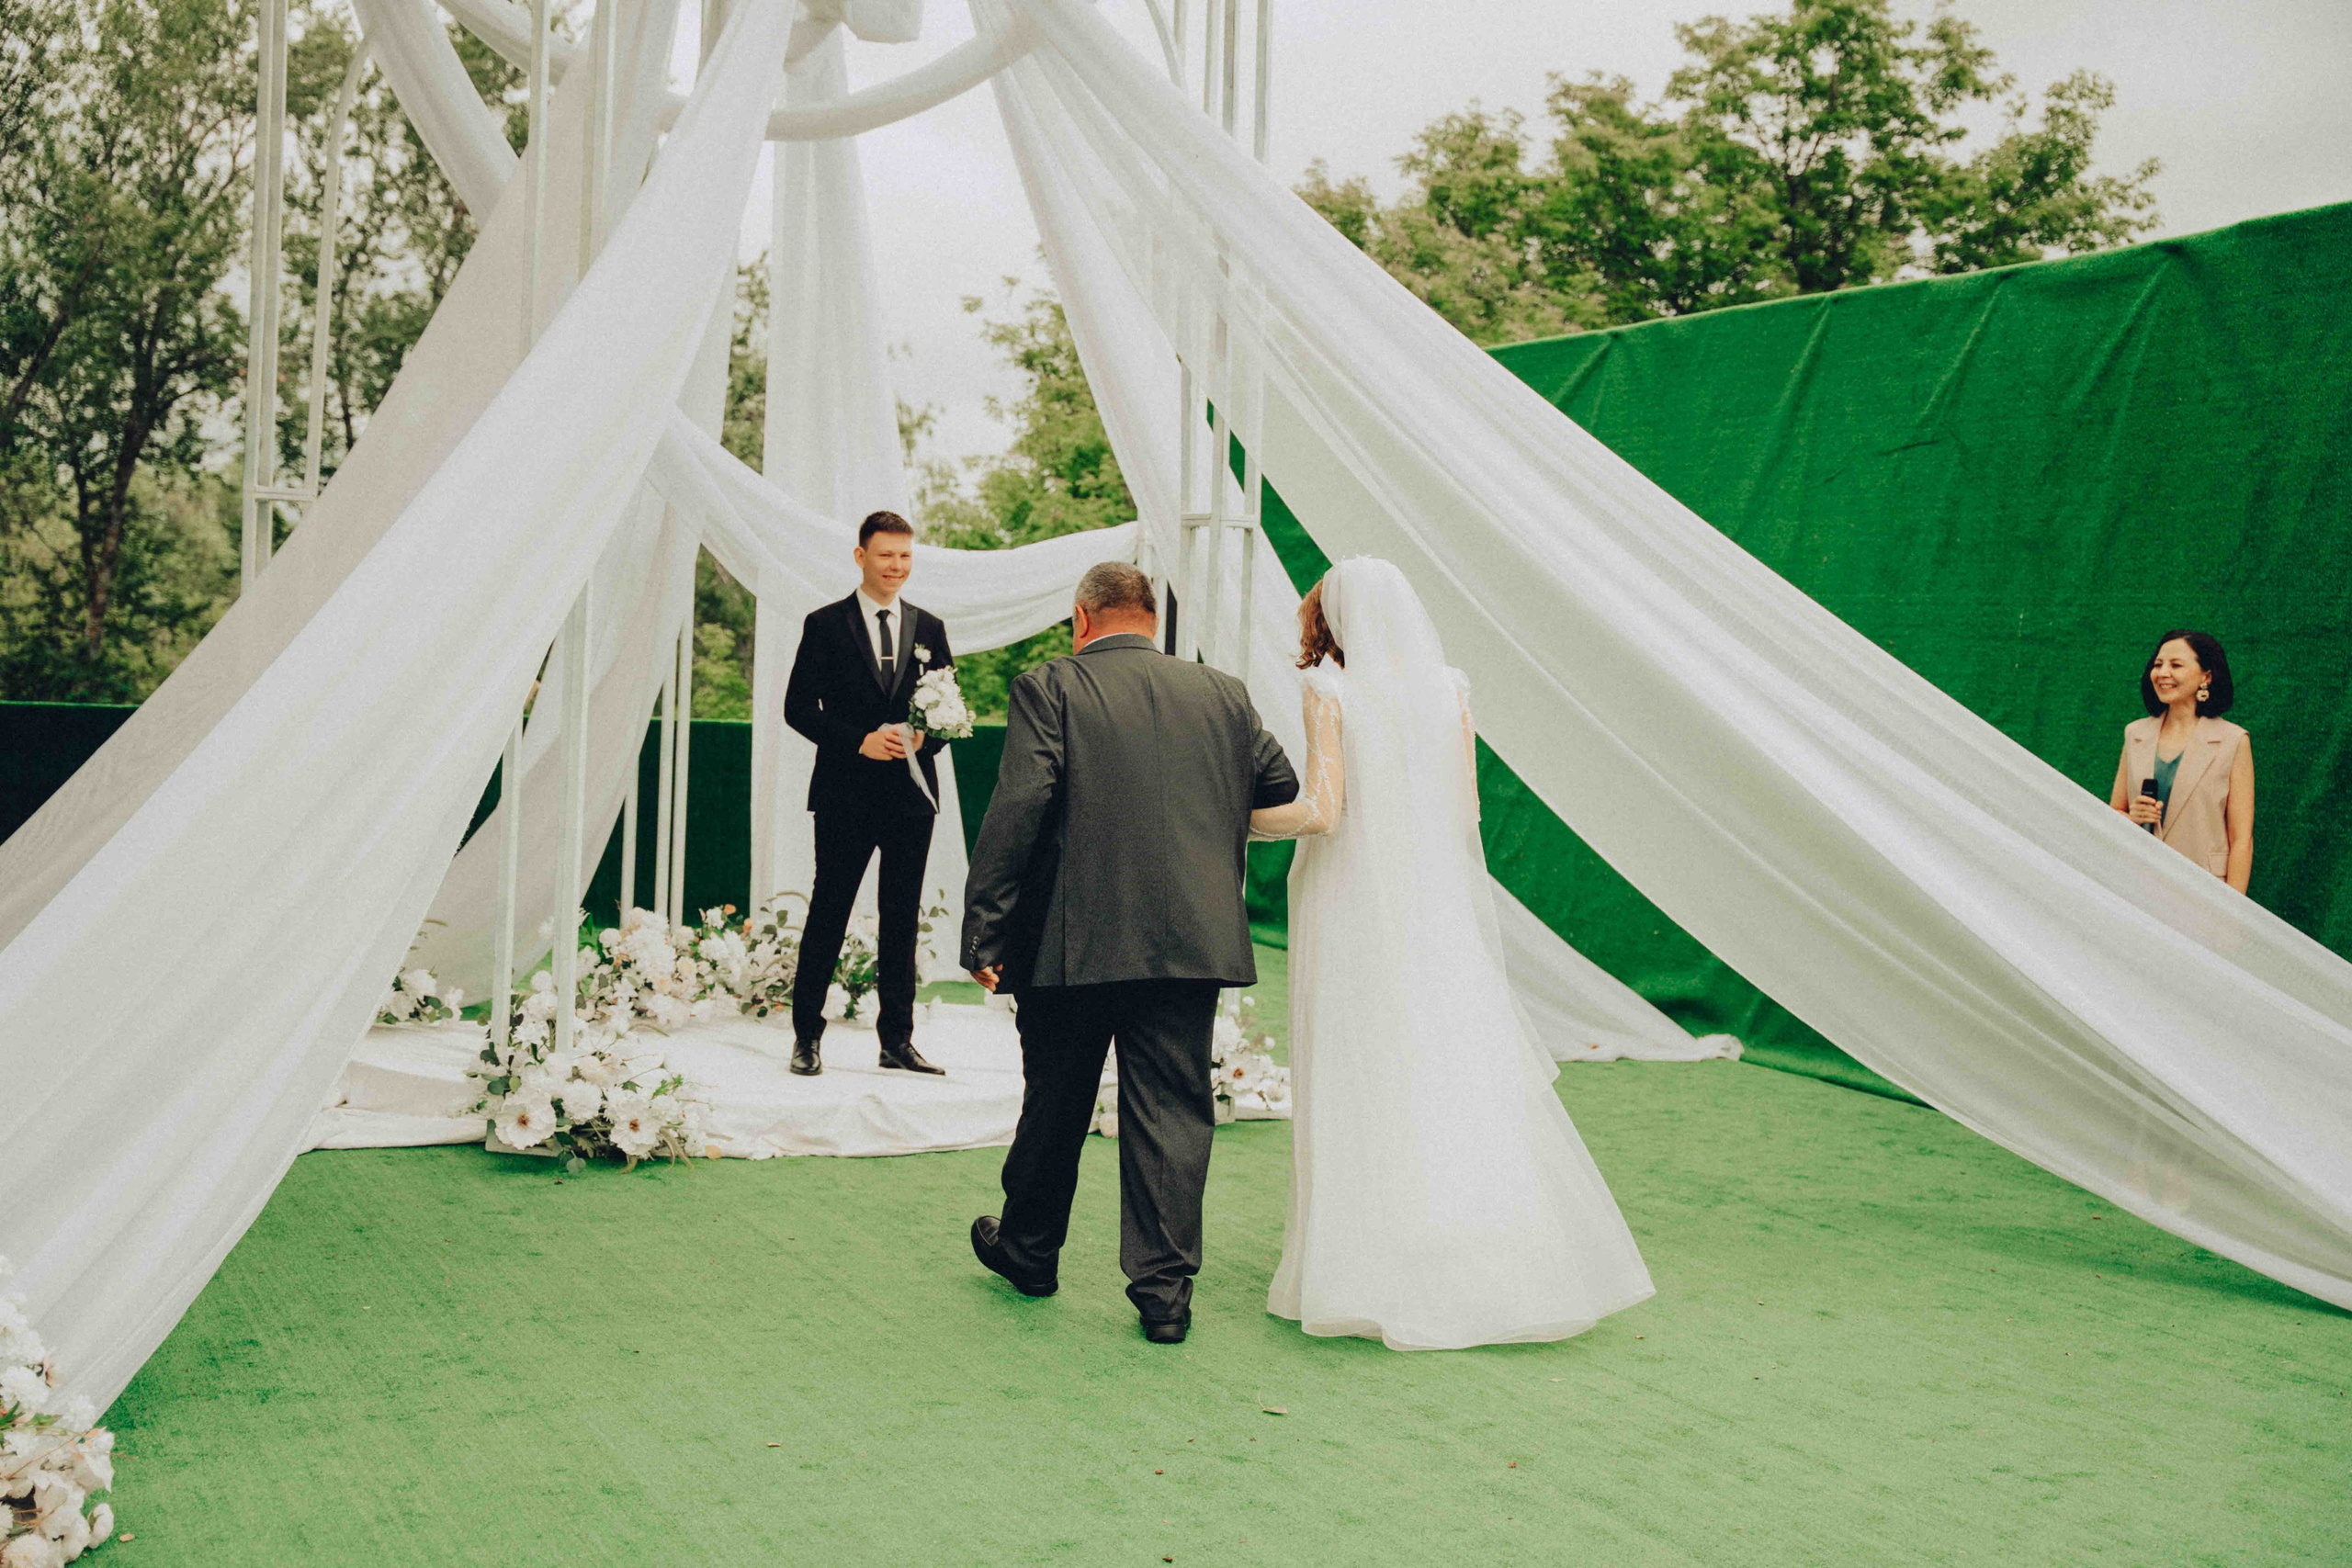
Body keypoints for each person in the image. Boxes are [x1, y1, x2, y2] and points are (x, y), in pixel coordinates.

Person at [1246, 558, 1654, 1350]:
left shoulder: (1329, 689)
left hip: (1351, 897)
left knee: (1361, 1058)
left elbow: (1325, 811)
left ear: (1327, 621)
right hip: (1435, 901)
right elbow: (1463, 806)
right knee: (1449, 1057)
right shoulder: (1449, 687)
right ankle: (1474, 1239)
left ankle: (1361, 1254)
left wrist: (1245, 816)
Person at [961, 561, 1299, 1345]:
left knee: (1056, 1098)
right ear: (1152, 620)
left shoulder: (1049, 686)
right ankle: (1164, 1296)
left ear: (1082, 620)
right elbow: (1276, 790)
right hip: (1189, 937)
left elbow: (1020, 803)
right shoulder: (1224, 694)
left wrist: (986, 925)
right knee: (1173, 1112)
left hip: (1070, 939)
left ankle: (1030, 1252)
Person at [782, 511, 956, 1077]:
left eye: (905, 556)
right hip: (843, 796)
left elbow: (947, 715)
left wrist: (922, 740)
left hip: (910, 801)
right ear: (861, 556)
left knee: (901, 919)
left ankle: (897, 1042)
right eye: (886, 555)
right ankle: (806, 1037)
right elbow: (797, 709)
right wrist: (859, 741)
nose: (897, 566)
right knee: (829, 912)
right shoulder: (824, 624)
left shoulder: (930, 627)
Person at [2109, 628, 2254, 893]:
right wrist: (2132, 817)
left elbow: (2241, 839)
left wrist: (2234, 912)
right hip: (2138, 886)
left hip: (2203, 892)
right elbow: (2116, 810)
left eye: (2176, 665)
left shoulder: (2233, 741)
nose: (2163, 673)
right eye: (2158, 664)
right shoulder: (2135, 734)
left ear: (2206, 676)